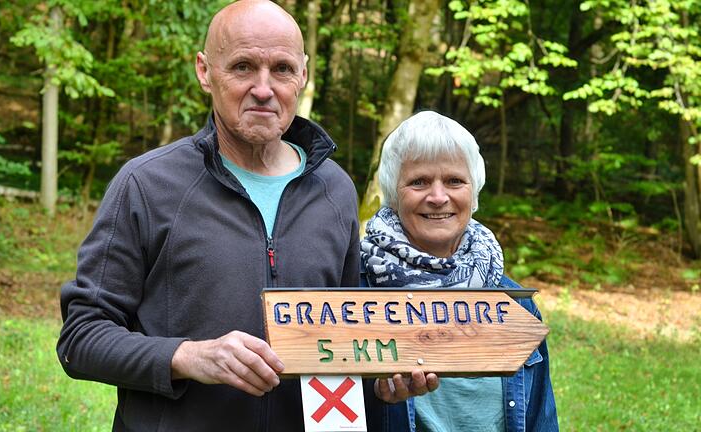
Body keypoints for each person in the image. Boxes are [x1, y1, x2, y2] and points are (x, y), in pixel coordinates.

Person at [57, 1, 432, 430]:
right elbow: (81, 339)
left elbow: (340, 345)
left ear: (303, 74)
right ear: (204, 71)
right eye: (242, 67)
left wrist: (382, 382)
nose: (263, 88)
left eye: (282, 69)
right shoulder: (146, 185)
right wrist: (188, 356)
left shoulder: (335, 190)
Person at [360, 111, 559, 431]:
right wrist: (375, 397)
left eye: (454, 181)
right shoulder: (352, 294)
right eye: (419, 182)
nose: (438, 197)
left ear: (474, 191)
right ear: (394, 194)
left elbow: (540, 422)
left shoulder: (516, 304)